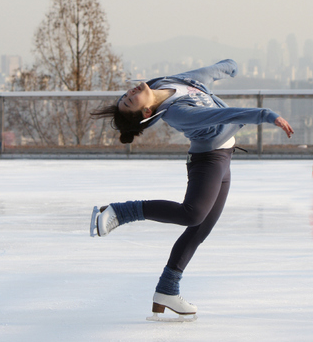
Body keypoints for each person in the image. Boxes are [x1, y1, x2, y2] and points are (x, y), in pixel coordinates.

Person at [90, 59, 294, 318]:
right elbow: (223, 115)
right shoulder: (177, 114)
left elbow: (202, 75)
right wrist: (266, 115)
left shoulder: (166, 83)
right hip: (208, 160)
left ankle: (167, 290)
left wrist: (228, 67)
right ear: (146, 113)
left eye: (125, 95)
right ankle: (121, 212)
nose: (129, 93)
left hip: (223, 157)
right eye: (129, 101)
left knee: (200, 229)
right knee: (193, 214)